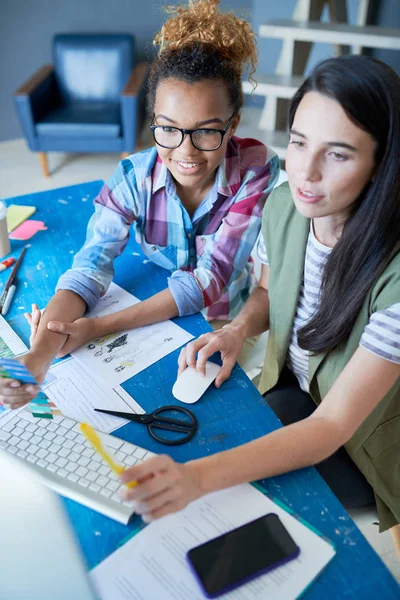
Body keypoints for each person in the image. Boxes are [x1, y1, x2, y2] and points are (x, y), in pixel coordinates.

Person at [115, 55, 400, 555]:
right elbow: (269, 291)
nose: (306, 172)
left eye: (338, 154)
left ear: (381, 163)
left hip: (365, 447)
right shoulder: (286, 204)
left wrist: (195, 479)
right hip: (297, 394)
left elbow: (332, 426)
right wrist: (237, 329)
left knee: (237, 513)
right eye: (298, 142)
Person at [0, 0, 279, 410]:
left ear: (233, 124)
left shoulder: (256, 170)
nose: (185, 152)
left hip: (223, 318)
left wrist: (96, 327)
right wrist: (38, 357)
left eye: (206, 132)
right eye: (168, 129)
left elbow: (209, 280)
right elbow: (90, 265)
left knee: (215, 409)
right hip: (154, 303)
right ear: (154, 120)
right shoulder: (133, 175)